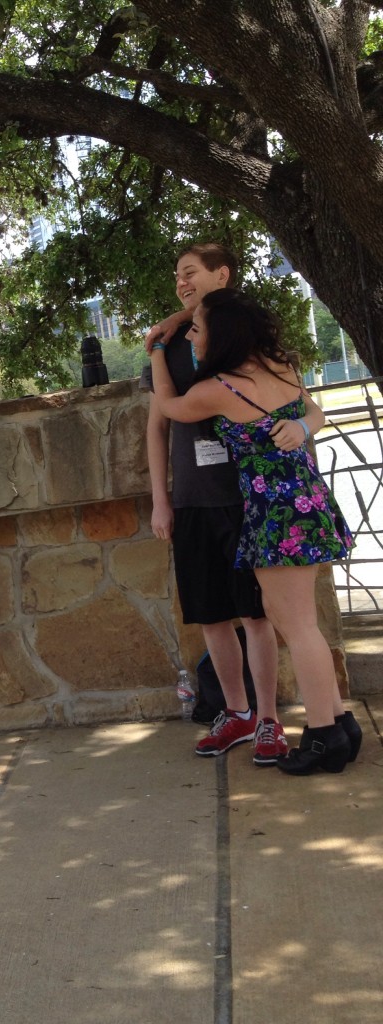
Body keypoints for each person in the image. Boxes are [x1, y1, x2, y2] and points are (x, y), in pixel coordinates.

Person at [149, 289, 356, 775]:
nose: (192, 337)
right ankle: (342, 725)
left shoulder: (220, 387)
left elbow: (169, 406)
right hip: (306, 500)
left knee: (298, 629)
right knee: (304, 625)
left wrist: (157, 349)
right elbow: (314, 411)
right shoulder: (279, 366)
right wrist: (303, 427)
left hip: (273, 513)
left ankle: (323, 737)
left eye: (198, 328)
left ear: (220, 334)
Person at [144, 244, 303, 763]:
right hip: (192, 501)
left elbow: (300, 403)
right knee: (212, 615)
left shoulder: (246, 336)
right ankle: (236, 713)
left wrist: (305, 426)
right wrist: (161, 500)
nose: (181, 283)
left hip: (247, 499)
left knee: (256, 616)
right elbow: (158, 425)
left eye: (190, 272)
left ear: (222, 275)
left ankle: (269, 719)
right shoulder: (171, 345)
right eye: (175, 276)